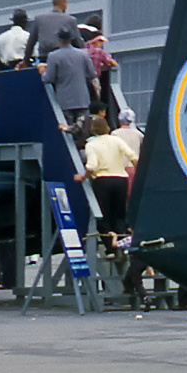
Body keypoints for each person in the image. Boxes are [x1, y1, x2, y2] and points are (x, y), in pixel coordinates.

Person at [74, 117, 137, 245]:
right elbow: (133, 156)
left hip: (102, 181)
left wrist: (83, 177)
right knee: (119, 215)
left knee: (104, 215)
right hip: (121, 179)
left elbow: (91, 166)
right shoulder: (117, 140)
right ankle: (122, 242)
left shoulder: (91, 144)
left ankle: (110, 246)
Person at [41, 30, 98, 126]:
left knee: (68, 130)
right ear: (71, 39)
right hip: (82, 99)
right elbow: (92, 74)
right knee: (84, 130)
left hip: (64, 101)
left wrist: (43, 72)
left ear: (59, 40)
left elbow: (49, 78)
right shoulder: (83, 54)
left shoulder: (53, 56)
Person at [22, 0, 83, 65]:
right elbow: (78, 43)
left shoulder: (39, 19)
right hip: (63, 59)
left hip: (45, 59)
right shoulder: (70, 20)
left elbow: (31, 43)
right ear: (64, 4)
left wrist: (25, 61)